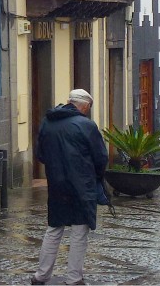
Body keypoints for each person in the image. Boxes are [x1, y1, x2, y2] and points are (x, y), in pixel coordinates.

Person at [31, 89, 109, 286]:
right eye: (88, 108)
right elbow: (101, 158)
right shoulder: (86, 125)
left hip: (56, 184)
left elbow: (40, 154)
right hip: (82, 185)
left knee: (54, 228)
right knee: (79, 231)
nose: (87, 111)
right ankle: (74, 279)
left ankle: (41, 276)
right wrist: (95, 176)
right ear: (84, 105)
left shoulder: (48, 122)